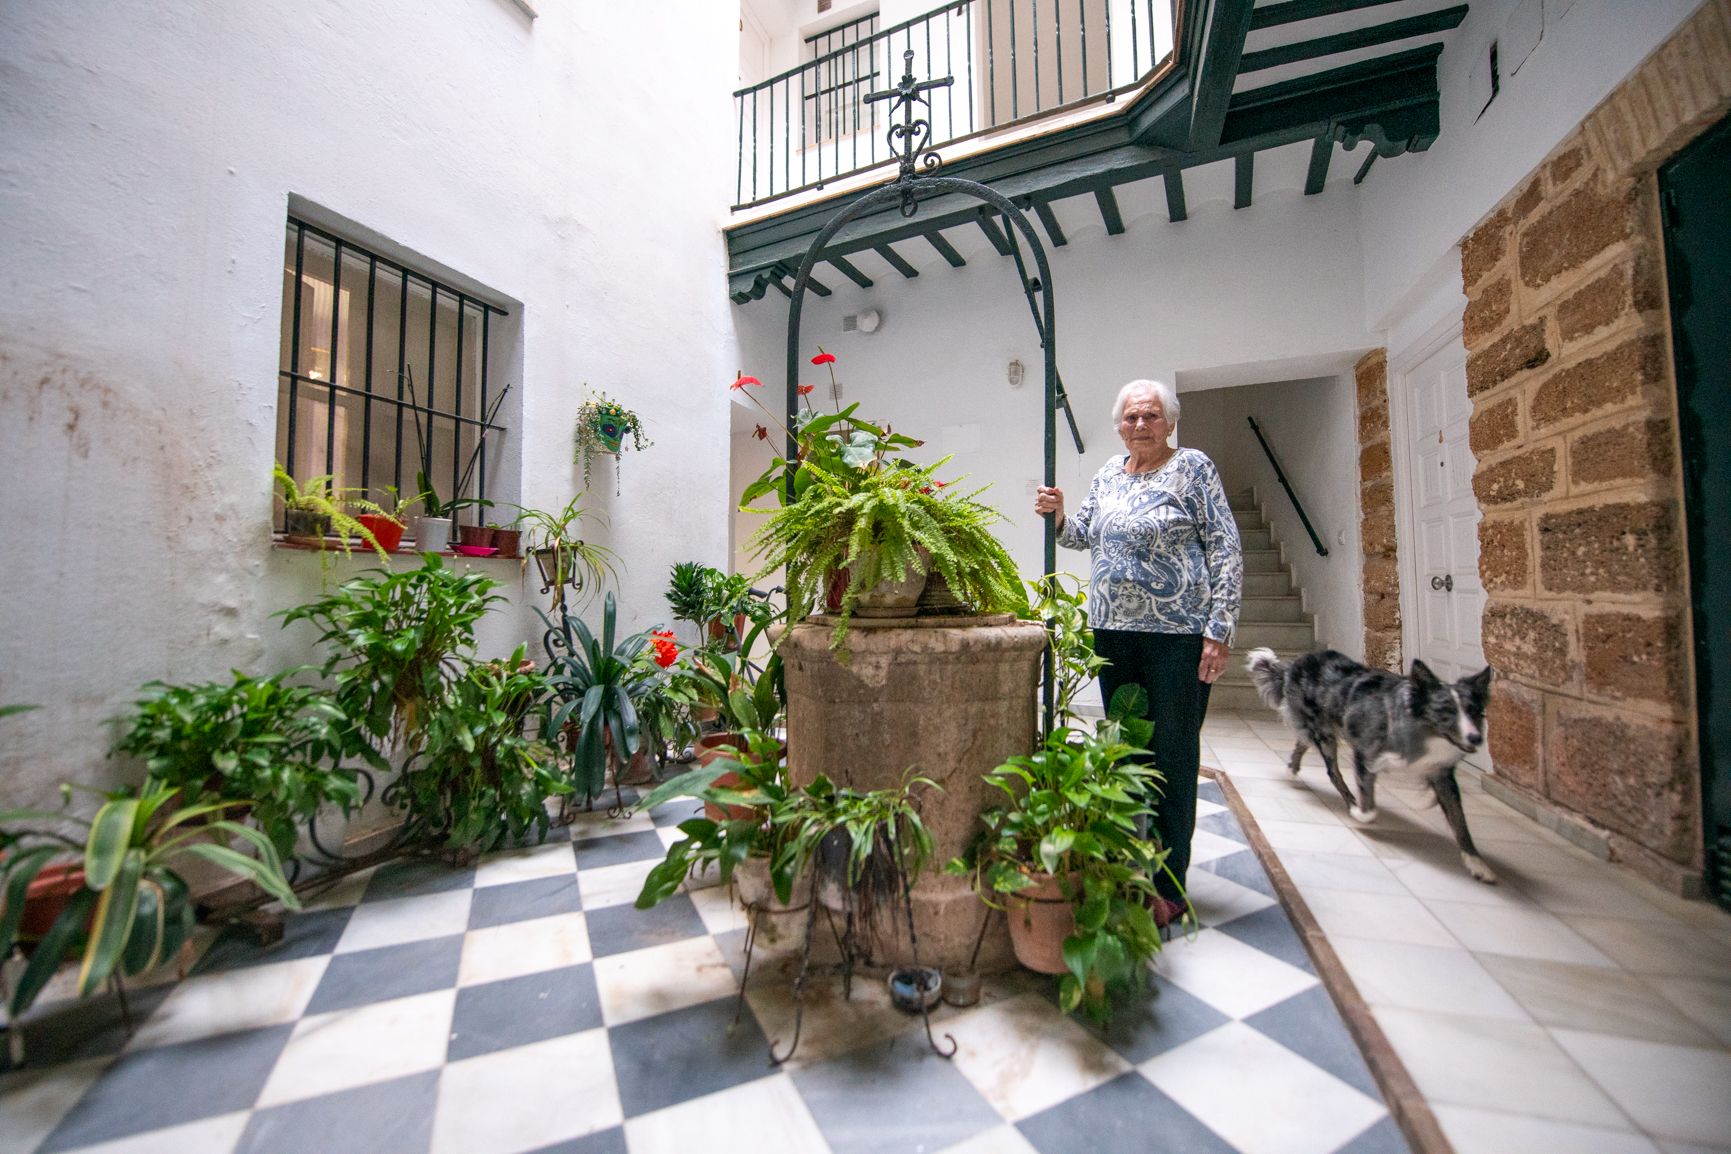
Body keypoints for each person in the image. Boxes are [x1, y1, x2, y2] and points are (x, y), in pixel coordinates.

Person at [1034, 379, 1242, 927]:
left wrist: (1219, 629)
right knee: (1128, 754)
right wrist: (1056, 515)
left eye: (1151, 416)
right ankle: (1130, 868)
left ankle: (1169, 886)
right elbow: (1082, 536)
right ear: (1119, 425)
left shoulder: (1193, 468)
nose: (1140, 425)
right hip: (1113, 634)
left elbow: (1224, 546)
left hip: (1177, 636)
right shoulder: (1108, 472)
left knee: (1172, 753)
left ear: (1169, 422)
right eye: (1131, 418)